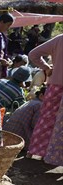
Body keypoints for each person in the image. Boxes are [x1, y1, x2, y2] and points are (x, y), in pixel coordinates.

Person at [27, 34, 63, 166]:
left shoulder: (59, 39)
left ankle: (34, 151)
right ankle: (54, 158)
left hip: (54, 86)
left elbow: (33, 54)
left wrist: (47, 68)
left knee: (46, 119)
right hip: (56, 85)